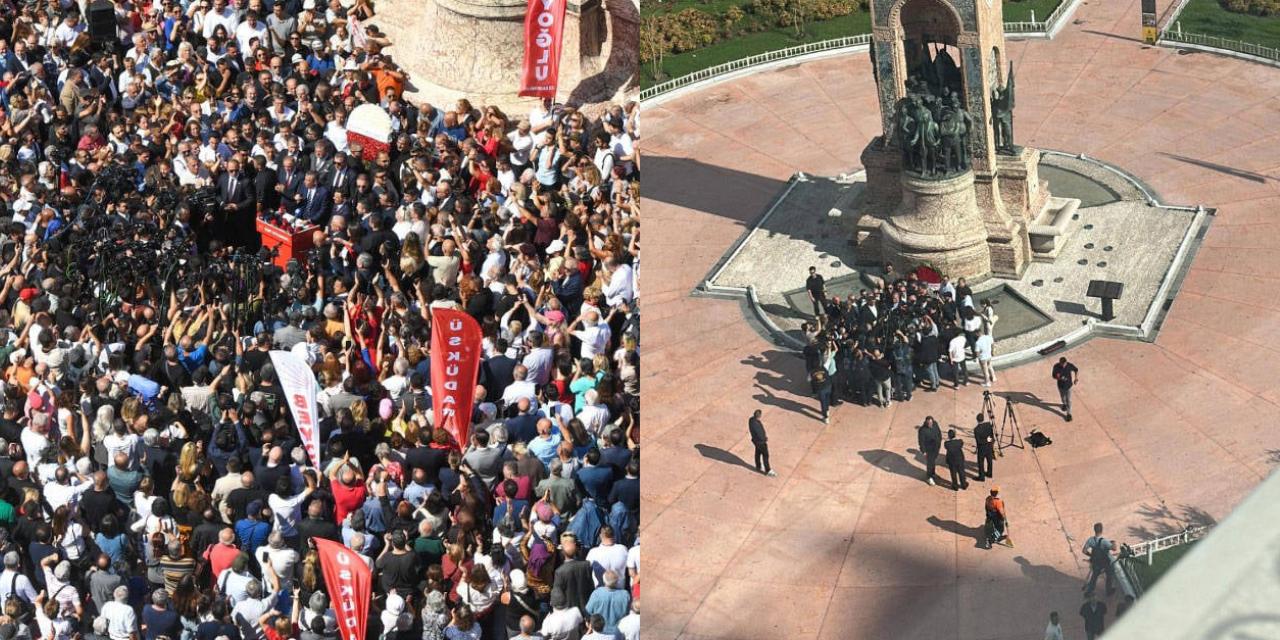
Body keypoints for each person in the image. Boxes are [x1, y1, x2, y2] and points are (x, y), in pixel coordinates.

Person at [1082, 523, 1116, 597]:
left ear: (1094, 530)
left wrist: (1091, 555)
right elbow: (1114, 548)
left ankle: (1089, 591)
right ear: (1102, 530)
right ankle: (1108, 590)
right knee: (1109, 575)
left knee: (1094, 577)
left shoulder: (1090, 540)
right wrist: (1113, 543)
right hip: (1106, 562)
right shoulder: (1104, 541)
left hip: (1096, 562)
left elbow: (1084, 550)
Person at [917, 417, 942, 486]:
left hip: (936, 448)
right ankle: (929, 477)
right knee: (930, 464)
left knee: (933, 462)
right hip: (929, 450)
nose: (930, 424)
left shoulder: (935, 424)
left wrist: (939, 441)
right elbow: (921, 441)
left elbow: (939, 433)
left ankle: (933, 473)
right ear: (926, 422)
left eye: (931, 423)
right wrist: (923, 451)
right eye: (929, 423)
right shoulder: (922, 430)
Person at [1052, 357, 1079, 421]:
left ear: (1066, 362)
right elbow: (1053, 376)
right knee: (1063, 398)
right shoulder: (1056, 367)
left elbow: (1076, 370)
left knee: (1068, 400)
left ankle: (1069, 414)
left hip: (1068, 386)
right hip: (1060, 386)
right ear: (1060, 363)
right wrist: (1058, 378)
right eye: (1062, 364)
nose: (1063, 365)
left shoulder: (1069, 365)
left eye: (1064, 364)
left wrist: (1076, 378)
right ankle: (1064, 404)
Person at [748, 410, 775, 477]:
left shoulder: (751, 420)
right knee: (765, 455)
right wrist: (765, 439)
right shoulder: (756, 424)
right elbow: (760, 434)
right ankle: (768, 470)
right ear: (759, 416)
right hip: (761, 442)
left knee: (758, 452)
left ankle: (758, 466)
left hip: (755, 441)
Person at [973, 412, 995, 481]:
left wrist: (986, 440)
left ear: (977, 420)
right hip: (989, 447)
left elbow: (979, 441)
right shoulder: (988, 425)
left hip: (982, 449)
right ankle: (989, 473)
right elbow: (992, 436)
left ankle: (981, 477)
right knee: (989, 461)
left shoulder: (976, 429)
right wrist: (989, 440)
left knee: (981, 463)